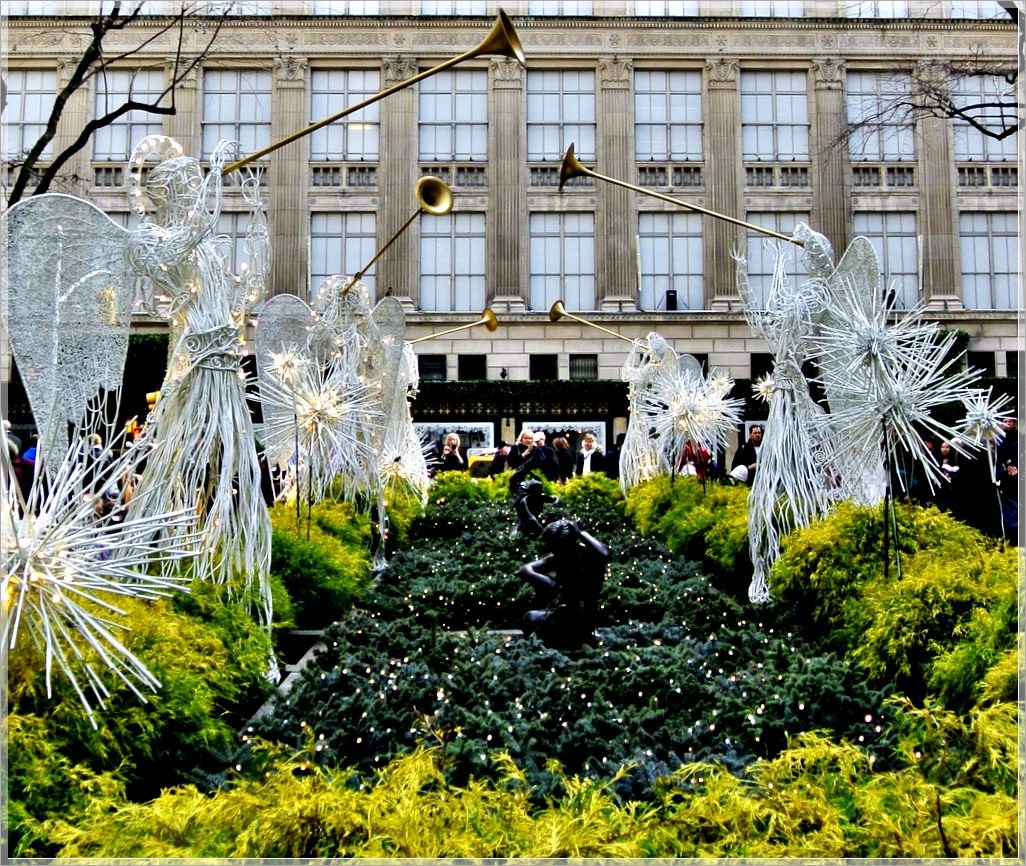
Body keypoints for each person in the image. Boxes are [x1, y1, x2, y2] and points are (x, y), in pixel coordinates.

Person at [519, 517, 610, 648]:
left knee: (561, 614)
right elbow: (525, 569)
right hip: (563, 609)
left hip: (583, 613)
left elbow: (605, 554)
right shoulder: (560, 557)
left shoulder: (589, 556)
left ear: (567, 544)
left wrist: (581, 532)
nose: (554, 552)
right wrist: (549, 582)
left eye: (556, 547)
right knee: (531, 617)